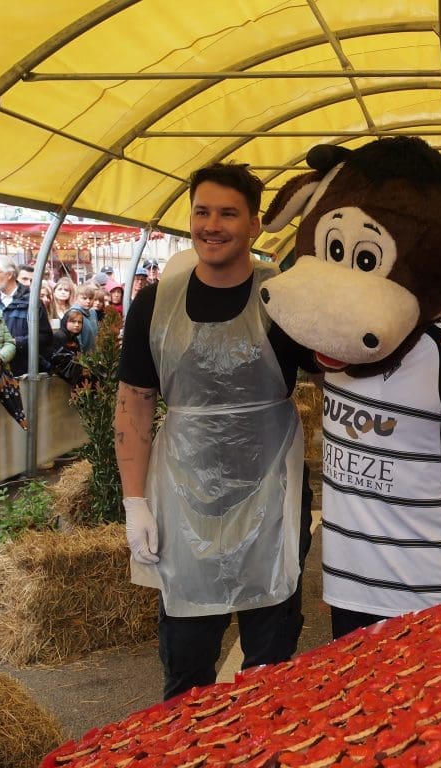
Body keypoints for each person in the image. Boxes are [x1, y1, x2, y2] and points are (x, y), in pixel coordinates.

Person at [115, 162, 317, 701]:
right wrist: (135, 502)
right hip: (182, 498)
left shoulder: (286, 299)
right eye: (202, 211)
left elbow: (340, 366)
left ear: (254, 224)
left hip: (272, 492)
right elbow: (134, 403)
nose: (212, 224)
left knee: (270, 658)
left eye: (228, 213)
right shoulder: (154, 304)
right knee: (185, 658)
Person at [0, 255, 54, 377]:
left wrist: (16, 342)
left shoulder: (32, 302)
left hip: (25, 370)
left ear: (9, 274)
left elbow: (45, 337)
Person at [49, 307, 90, 386]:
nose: (77, 325)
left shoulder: (74, 338)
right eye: (73, 322)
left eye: (79, 322)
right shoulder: (59, 336)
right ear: (65, 322)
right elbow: (58, 362)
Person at [72, 282, 99, 352]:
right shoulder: (74, 313)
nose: (88, 301)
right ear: (76, 298)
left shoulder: (93, 312)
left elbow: (96, 333)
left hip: (93, 354)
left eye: (91, 298)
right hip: (82, 357)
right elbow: (76, 339)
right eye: (84, 298)